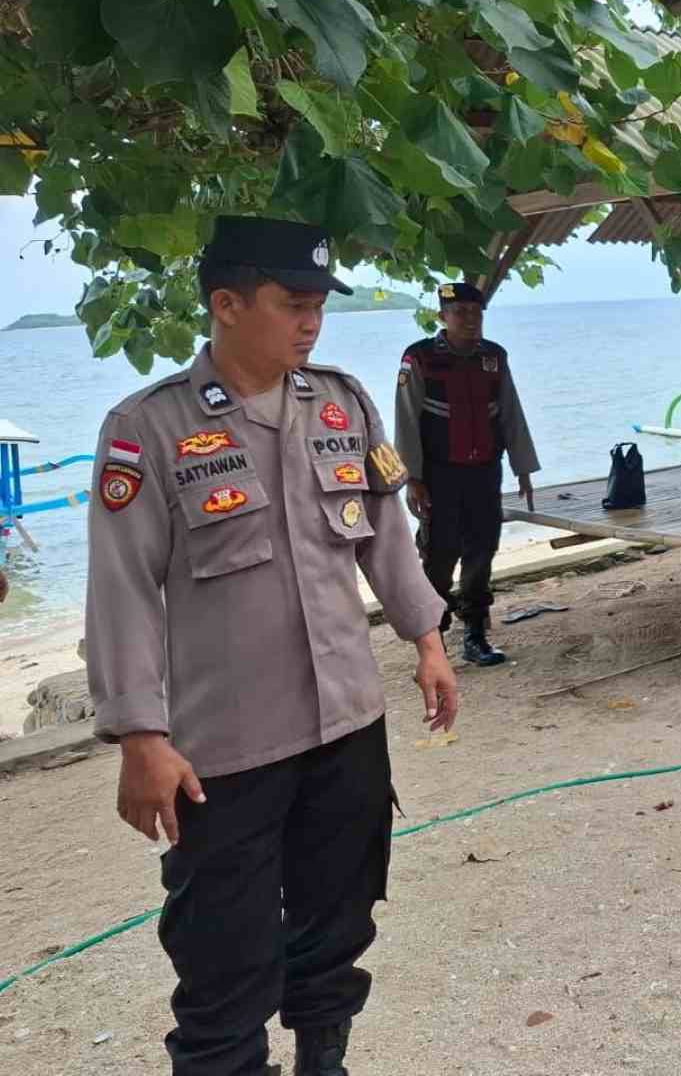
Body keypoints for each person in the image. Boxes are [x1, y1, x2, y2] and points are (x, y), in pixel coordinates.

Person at [84, 216, 456, 1076]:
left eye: (319, 303)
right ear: (226, 304)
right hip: (227, 747)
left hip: (348, 724)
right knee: (224, 953)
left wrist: (428, 640)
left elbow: (384, 538)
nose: (311, 321)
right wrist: (140, 736)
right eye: (293, 303)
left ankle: (324, 1059)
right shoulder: (149, 429)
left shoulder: (342, 402)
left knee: (339, 922)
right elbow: (121, 589)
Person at [395, 282, 540, 668]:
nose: (470, 320)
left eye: (476, 313)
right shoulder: (420, 357)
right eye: (460, 312)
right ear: (442, 316)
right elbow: (406, 420)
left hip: (485, 473)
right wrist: (412, 479)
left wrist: (523, 469)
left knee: (482, 550)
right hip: (438, 476)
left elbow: (511, 413)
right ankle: (433, 640)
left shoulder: (493, 356)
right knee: (439, 557)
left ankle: (475, 636)